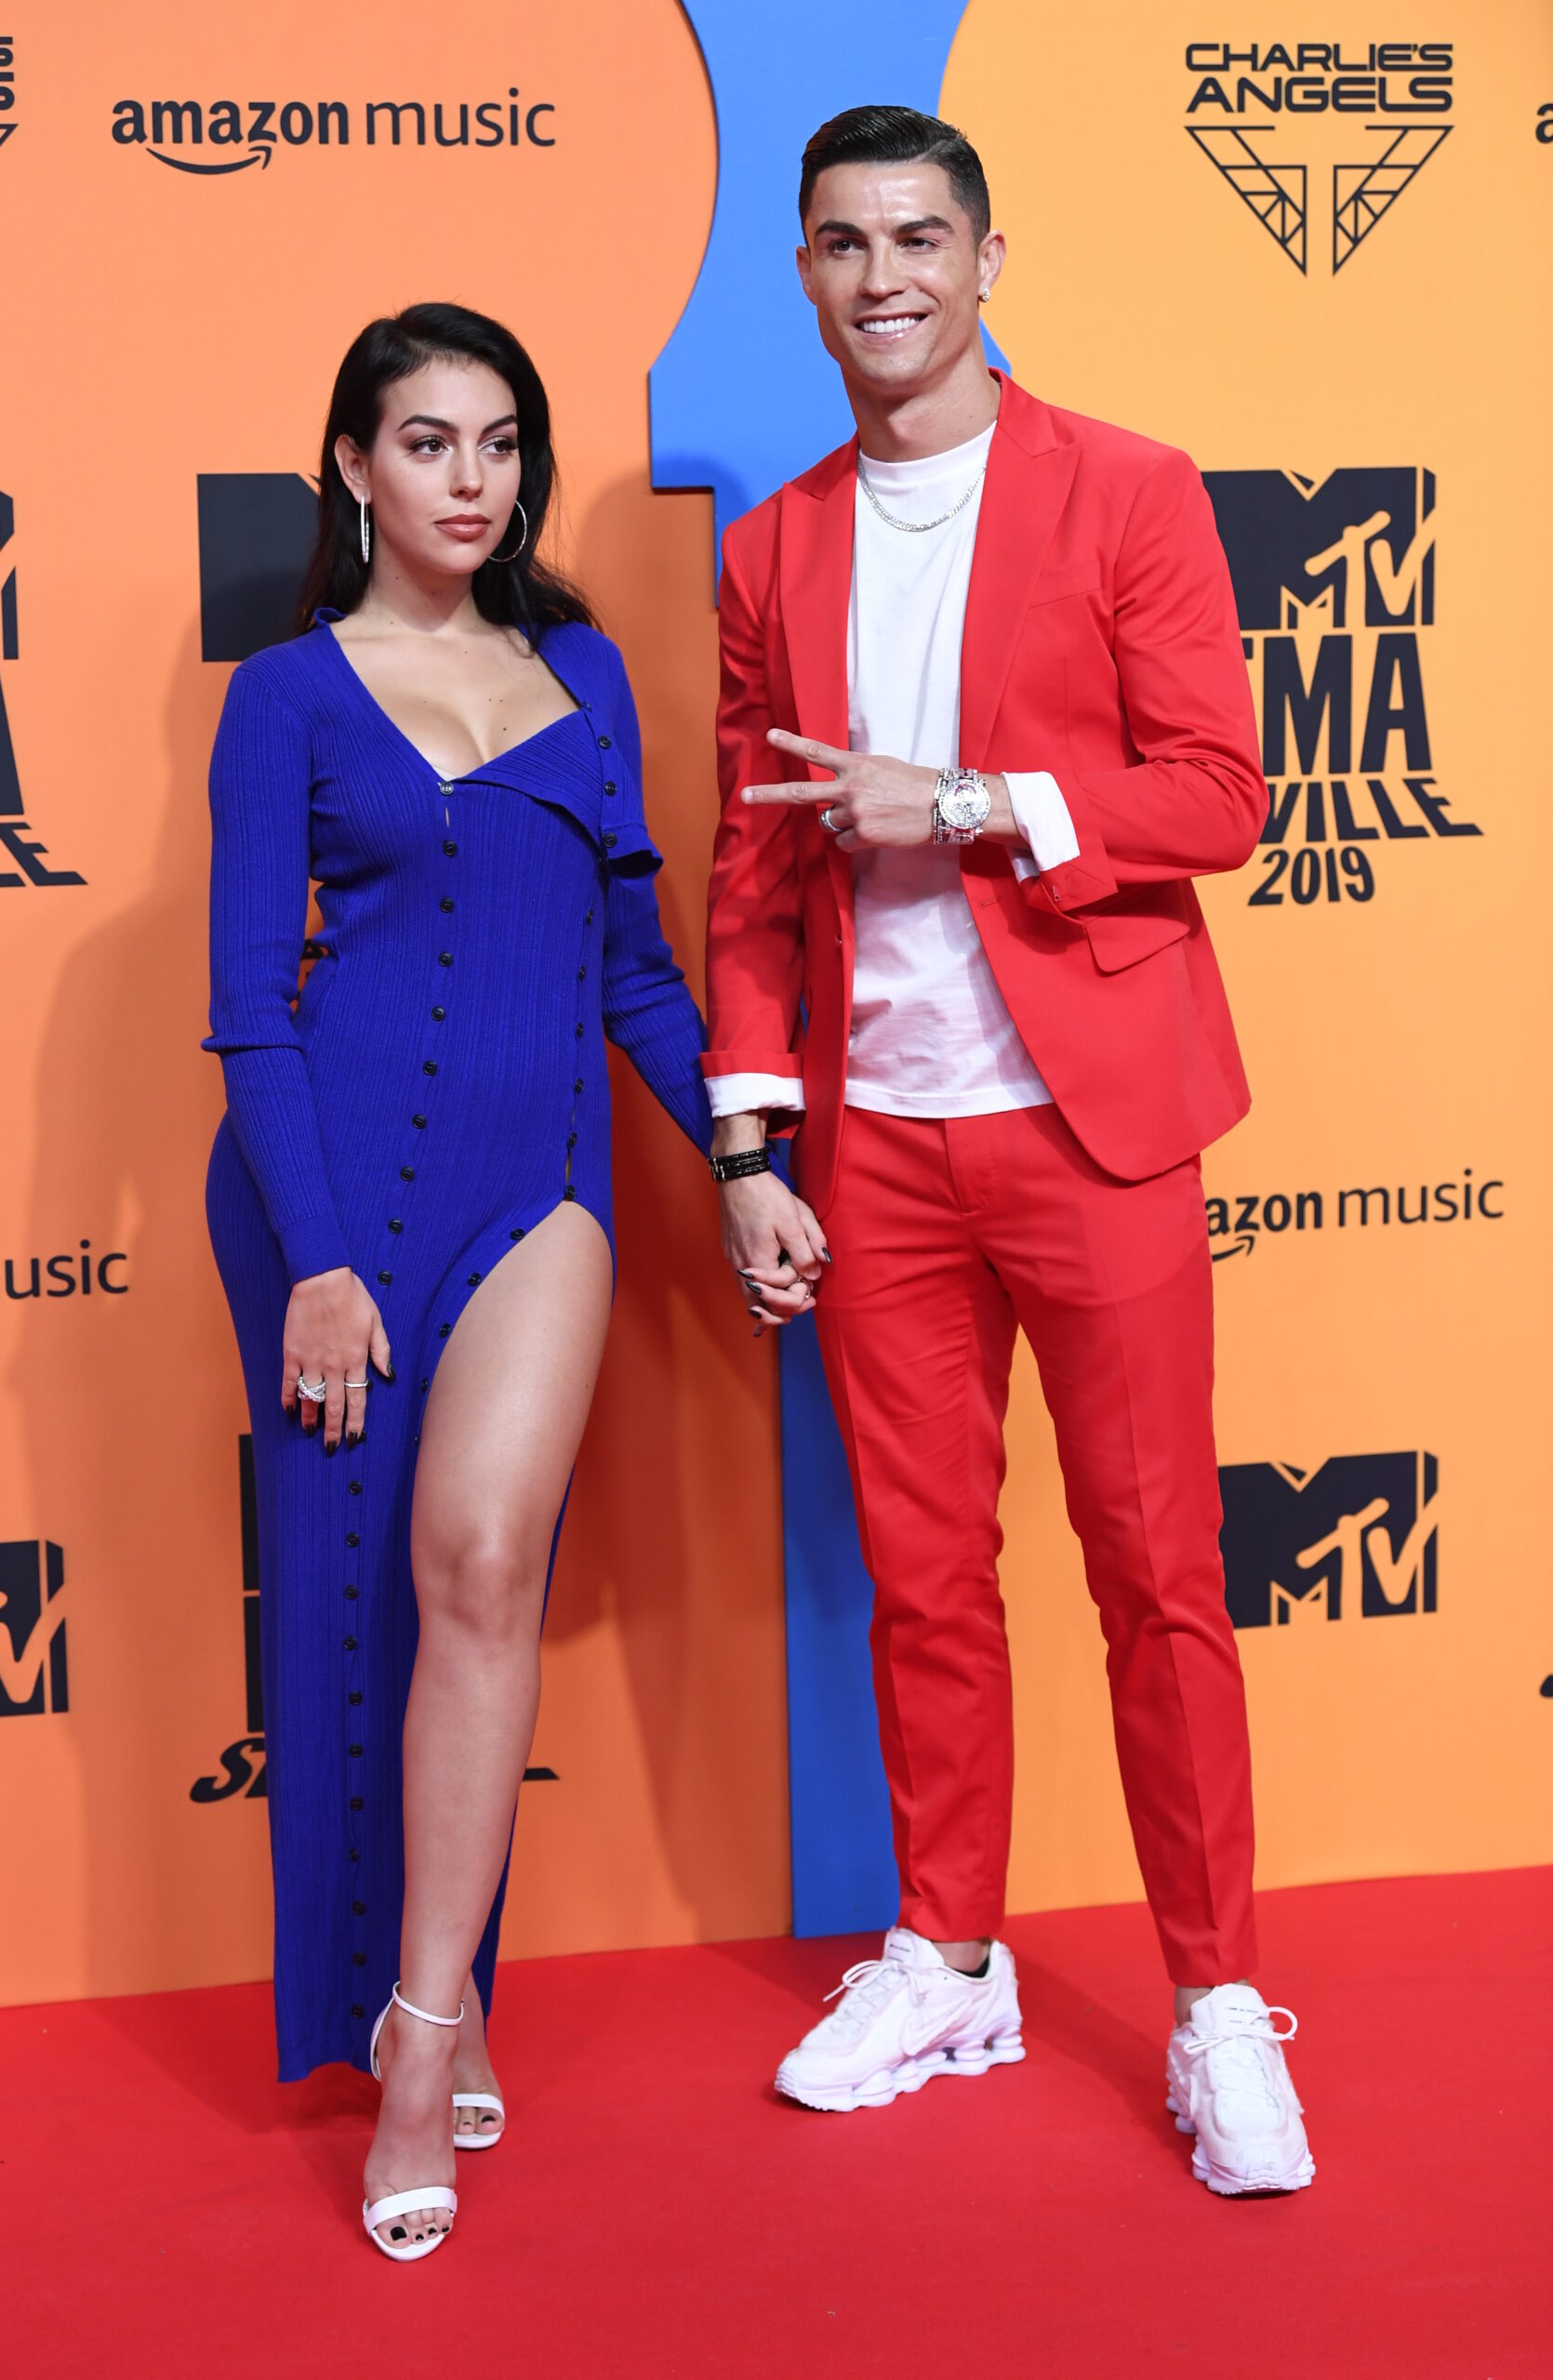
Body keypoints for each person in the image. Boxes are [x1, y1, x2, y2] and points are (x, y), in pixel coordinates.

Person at [702, 108, 1314, 2197]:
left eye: (917, 238)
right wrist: (752, 1136)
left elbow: (1221, 790)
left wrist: (969, 800)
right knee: (921, 1579)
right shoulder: (770, 541)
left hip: (1093, 1120)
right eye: (840, 243)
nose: (880, 277)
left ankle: (1219, 1997)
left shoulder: (1124, 488)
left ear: (984, 257)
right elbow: (748, 866)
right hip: (873, 1152)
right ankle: (948, 1949)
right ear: (801, 272)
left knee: (1158, 1574)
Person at [204, 302, 711, 2258]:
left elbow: (639, 974)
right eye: (426, 441)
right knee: (357, 1607)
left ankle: (419, 2039)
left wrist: (738, 1158)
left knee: (486, 1560)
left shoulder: (580, 671)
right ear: (352, 464)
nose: (470, 476)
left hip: (540, 1191)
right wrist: (318, 1261)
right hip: (329, 1194)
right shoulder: (290, 694)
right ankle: (445, 1975)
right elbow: (252, 1004)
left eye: (499, 440)